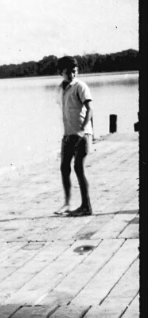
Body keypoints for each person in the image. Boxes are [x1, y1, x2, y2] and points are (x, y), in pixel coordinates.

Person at [57, 56, 93, 217]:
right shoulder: (61, 89)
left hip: (82, 134)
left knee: (79, 168)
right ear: (60, 73)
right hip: (68, 135)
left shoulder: (80, 86)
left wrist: (84, 128)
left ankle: (86, 206)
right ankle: (67, 203)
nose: (71, 75)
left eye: (74, 71)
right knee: (65, 168)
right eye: (67, 72)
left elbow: (90, 109)